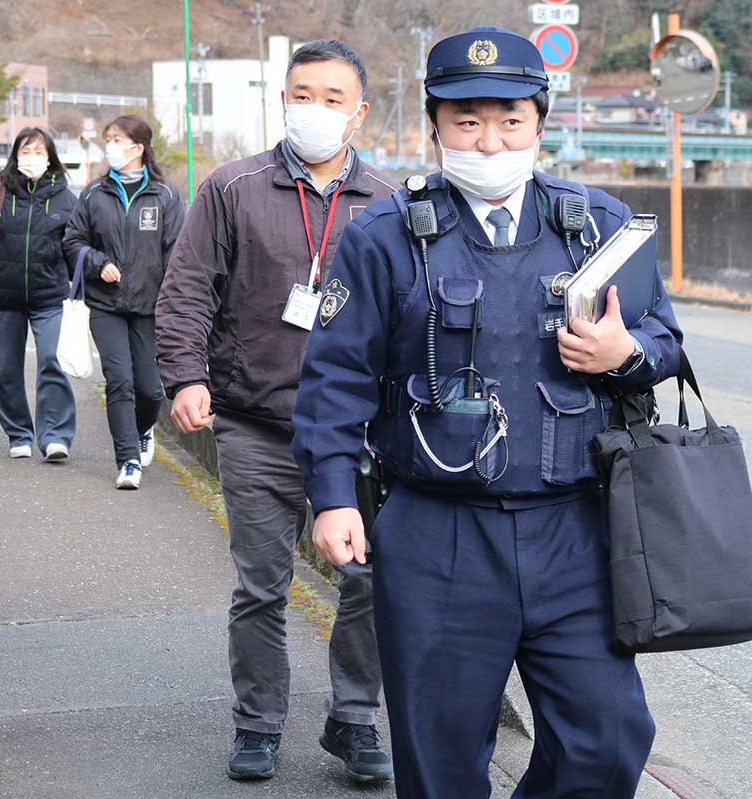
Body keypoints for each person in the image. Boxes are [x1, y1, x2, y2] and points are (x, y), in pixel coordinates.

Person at [291, 27, 685, 798]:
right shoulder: (385, 236)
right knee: (440, 761)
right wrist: (335, 494)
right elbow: (334, 376)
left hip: (576, 527)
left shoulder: (598, 225)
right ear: (435, 125)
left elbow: (665, 341)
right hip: (438, 532)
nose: (490, 139)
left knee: (605, 739)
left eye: (509, 118)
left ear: (540, 120)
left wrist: (623, 355)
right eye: (466, 120)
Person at [155, 40, 396, 784]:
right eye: (301, 94)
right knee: (262, 582)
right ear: (282, 100)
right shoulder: (235, 187)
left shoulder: (388, 203)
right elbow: (187, 288)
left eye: (332, 97)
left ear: (358, 113)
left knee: (367, 580)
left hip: (357, 435)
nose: (314, 109)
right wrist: (185, 376)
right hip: (257, 422)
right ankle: (257, 722)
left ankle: (353, 717)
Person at [63, 115, 184, 489]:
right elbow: (72, 241)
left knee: (150, 389)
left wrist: (173, 302)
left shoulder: (165, 196)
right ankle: (128, 459)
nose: (110, 146)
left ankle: (143, 429)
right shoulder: (94, 194)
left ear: (138, 147)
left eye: (117, 140)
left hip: (150, 306)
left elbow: (178, 253)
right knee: (119, 381)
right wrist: (99, 264)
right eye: (108, 140)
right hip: (106, 305)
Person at [0, 127, 78, 461]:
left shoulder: (64, 196)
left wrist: (80, 289)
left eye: (39, 151)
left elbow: (77, 244)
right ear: (15, 155)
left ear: (51, 157)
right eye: (26, 151)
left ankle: (55, 435)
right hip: (2, 296)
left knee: (53, 362)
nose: (32, 158)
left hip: (51, 296)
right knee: (6, 368)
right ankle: (19, 432)